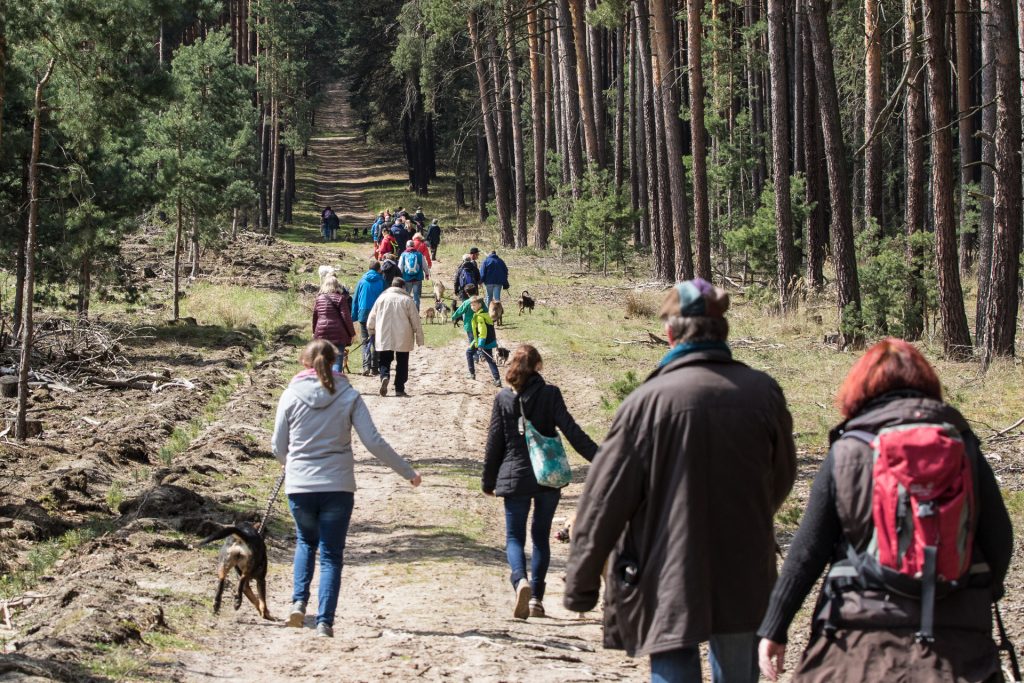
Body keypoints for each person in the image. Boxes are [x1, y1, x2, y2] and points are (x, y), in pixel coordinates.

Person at [564, 279, 797, 683]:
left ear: (671, 334)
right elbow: (781, 479)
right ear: (722, 331)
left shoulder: (646, 402)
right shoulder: (764, 394)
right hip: (744, 569)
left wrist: (581, 584)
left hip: (665, 572)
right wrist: (746, 518)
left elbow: (604, 501)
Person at [756, 339, 1014, 683]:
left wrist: (775, 628)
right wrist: (978, 592)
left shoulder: (847, 451)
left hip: (859, 641)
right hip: (957, 643)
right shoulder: (963, 446)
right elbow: (999, 538)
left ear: (860, 390)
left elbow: (807, 551)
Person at [272, 340, 422, 638]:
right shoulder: (349, 395)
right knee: (331, 554)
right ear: (335, 362)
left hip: (300, 485)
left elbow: (278, 445)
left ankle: (299, 603)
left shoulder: (290, 395)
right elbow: (373, 442)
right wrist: (408, 472)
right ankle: (325, 622)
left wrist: (289, 463)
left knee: (305, 542)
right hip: (337, 486)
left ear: (304, 362)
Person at [483, 344, 598, 619]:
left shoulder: (503, 398)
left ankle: (519, 580)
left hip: (514, 476)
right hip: (547, 476)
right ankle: (536, 598)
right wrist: (602, 457)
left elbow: (494, 443)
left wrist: (488, 480)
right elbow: (572, 431)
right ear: (538, 366)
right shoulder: (550, 394)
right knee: (540, 538)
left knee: (514, 537)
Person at [367, 277, 424, 398]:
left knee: (384, 359)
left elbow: (372, 317)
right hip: (403, 335)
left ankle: (385, 376)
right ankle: (399, 388)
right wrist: (419, 338)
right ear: (403, 287)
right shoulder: (407, 300)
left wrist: (371, 330)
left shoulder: (381, 299)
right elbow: (416, 321)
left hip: (384, 334)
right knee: (402, 361)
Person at [312, 274, 355, 371]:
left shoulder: (319, 298)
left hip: (322, 331)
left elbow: (315, 316)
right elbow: (346, 317)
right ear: (337, 285)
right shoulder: (341, 298)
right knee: (337, 360)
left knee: (323, 359)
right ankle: (335, 379)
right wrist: (352, 333)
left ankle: (324, 378)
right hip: (338, 333)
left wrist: (314, 331)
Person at [352, 260, 386, 376]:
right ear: (379, 269)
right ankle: (375, 367)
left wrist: (354, 316)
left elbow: (355, 299)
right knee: (376, 340)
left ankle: (366, 366)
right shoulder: (382, 281)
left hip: (363, 313)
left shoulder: (362, 281)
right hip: (378, 313)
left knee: (365, 340)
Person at [466, 296, 502, 386]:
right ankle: (497, 379)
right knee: (489, 359)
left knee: (469, 353)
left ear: (480, 305)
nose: (472, 307)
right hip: (485, 341)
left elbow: (483, 332)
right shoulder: (485, 314)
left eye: (474, 305)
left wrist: (480, 345)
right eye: (471, 305)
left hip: (482, 342)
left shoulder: (479, 317)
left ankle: (472, 374)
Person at [398, 240, 429, 309]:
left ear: (406, 246)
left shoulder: (403, 255)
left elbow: (400, 267)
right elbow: (425, 265)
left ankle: (406, 311)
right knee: (416, 297)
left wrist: (399, 276)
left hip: (407, 278)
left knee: (406, 296)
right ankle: (416, 311)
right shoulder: (419, 254)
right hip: (418, 278)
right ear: (414, 246)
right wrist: (427, 274)